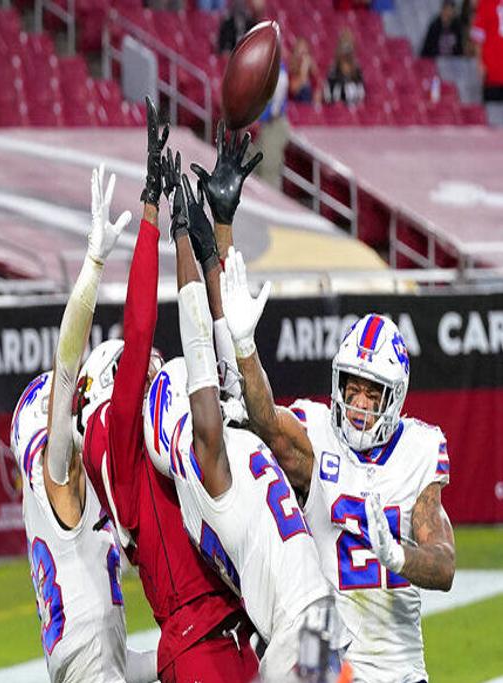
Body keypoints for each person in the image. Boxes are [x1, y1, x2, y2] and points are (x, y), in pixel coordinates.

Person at [74, 99, 260, 683]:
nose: (156, 368)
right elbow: (139, 329)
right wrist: (150, 210)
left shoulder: (152, 429)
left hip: (239, 632)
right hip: (200, 645)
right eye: (141, 368)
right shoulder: (118, 438)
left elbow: (224, 368)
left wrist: (216, 240)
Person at [142, 160, 346, 682]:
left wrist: (213, 238)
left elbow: (224, 341)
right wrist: (183, 239)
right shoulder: (211, 466)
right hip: (305, 632)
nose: (205, 396)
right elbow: (202, 352)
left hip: (304, 629)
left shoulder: (213, 467)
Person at [220, 258, 456, 682]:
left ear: (395, 398)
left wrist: (396, 555)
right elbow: (267, 423)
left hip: (394, 668)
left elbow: (444, 567)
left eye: (373, 393)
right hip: (324, 652)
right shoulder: (319, 435)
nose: (359, 405)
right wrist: (244, 346)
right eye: (353, 386)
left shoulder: (419, 450)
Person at [10, 165, 158, 683]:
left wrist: (191, 640)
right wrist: (94, 264)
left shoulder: (72, 506)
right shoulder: (58, 484)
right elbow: (68, 366)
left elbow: (116, 665)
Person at [471, 0, 503, 101]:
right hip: (492, 71)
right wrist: (480, 63)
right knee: (493, 112)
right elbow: (478, 37)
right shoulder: (486, 2)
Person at [324, 32, 365, 106]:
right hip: (337, 107)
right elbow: (328, 91)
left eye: (349, 45)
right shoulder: (334, 69)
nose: (346, 49)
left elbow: (361, 91)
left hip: (354, 106)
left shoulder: (357, 69)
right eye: (344, 45)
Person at [288, 38, 322, 104]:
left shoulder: (312, 76)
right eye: (300, 53)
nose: (303, 58)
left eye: (305, 53)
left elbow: (317, 99)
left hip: (308, 111)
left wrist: (316, 75)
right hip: (293, 110)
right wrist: (303, 71)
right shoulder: (290, 73)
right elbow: (293, 91)